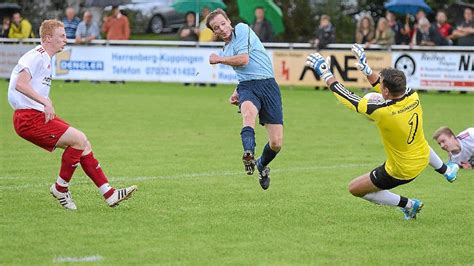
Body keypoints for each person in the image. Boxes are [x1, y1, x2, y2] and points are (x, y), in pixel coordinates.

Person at [304, 44, 459, 220]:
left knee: (355, 189)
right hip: (423, 156)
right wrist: (366, 69)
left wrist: (326, 74)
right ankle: (446, 171)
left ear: (385, 91)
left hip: (401, 170)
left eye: (382, 84)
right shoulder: (412, 95)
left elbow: (348, 98)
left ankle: (409, 205)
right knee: (418, 139)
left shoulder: (382, 112)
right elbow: (383, 86)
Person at [7, 19, 137, 210]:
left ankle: (109, 194)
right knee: (79, 139)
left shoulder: (44, 58)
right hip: (28, 118)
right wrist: (45, 101)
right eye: (62, 36)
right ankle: (60, 188)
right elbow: (20, 83)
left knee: (84, 144)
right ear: (48, 38)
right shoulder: (37, 55)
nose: (66, 40)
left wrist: (44, 103)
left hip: (35, 115)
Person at [206, 9, 283, 190]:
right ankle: (248, 152)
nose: (222, 29)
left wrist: (219, 60)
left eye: (223, 23)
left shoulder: (241, 29)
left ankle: (261, 165)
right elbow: (244, 72)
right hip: (248, 87)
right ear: (215, 33)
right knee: (248, 115)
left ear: (229, 21)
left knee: (276, 143)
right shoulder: (226, 48)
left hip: (269, 86)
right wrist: (237, 90)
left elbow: (244, 60)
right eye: (216, 28)